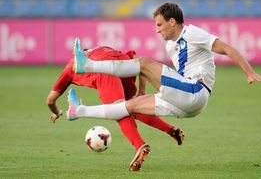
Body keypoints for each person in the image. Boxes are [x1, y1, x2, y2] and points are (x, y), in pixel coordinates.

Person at [67, 2, 261, 122]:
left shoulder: (192, 33)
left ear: (172, 22)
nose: (157, 29)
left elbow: (228, 49)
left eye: (160, 24)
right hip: (186, 103)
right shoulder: (171, 45)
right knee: (131, 105)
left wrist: (249, 72)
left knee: (143, 62)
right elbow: (154, 74)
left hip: (196, 90)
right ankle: (80, 111)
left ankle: (89, 66)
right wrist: (142, 90)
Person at [46, 46, 184, 171]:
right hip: (121, 64)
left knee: (118, 110)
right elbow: (138, 62)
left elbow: (50, 101)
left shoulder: (71, 66)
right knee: (131, 106)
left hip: (103, 72)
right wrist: (142, 90)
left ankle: (139, 145)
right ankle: (171, 130)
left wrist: (57, 112)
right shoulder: (103, 48)